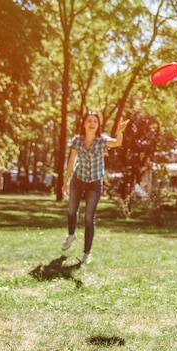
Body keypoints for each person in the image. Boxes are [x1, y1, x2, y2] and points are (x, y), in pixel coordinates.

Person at [60, 111, 129, 264]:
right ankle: (71, 235)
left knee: (89, 217)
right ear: (84, 124)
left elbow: (117, 142)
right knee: (71, 210)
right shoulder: (77, 141)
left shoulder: (102, 141)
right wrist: (65, 182)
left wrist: (119, 131)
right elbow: (71, 161)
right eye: (89, 121)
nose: (92, 124)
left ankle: (87, 253)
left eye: (95, 121)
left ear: (98, 125)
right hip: (78, 179)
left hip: (94, 183)